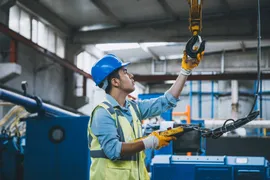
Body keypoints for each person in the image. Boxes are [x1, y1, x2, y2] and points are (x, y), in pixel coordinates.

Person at [88, 50, 204, 180]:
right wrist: (151, 141)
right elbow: (114, 150)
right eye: (125, 72)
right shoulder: (102, 113)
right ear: (115, 82)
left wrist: (185, 71)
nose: (131, 75)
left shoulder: (133, 108)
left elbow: (165, 101)